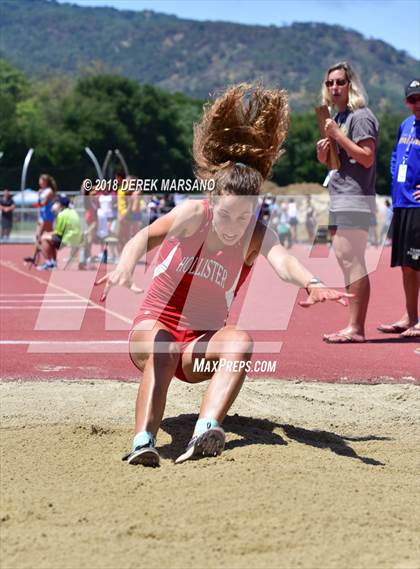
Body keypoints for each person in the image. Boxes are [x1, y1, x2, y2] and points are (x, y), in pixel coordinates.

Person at [96, 84, 352, 467]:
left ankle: (207, 429)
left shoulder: (257, 234)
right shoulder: (192, 215)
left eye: (244, 217)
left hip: (199, 346)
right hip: (154, 330)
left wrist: (313, 283)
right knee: (163, 345)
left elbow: (283, 263)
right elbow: (142, 237)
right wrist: (124, 265)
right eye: (228, 215)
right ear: (213, 202)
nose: (235, 226)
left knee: (241, 341)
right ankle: (142, 441)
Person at [316, 61, 379, 343]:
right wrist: (324, 153)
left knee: (352, 259)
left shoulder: (361, 116)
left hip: (355, 197)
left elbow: (367, 157)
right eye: (330, 83)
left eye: (340, 82)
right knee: (345, 259)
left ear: (351, 85)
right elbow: (338, 163)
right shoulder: (336, 118)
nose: (334, 87)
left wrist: (338, 136)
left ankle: (356, 328)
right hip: (339, 195)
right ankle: (353, 325)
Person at [377, 79, 420, 338]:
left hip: (418, 205)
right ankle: (409, 315)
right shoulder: (405, 125)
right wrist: (395, 176)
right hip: (402, 203)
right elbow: (396, 155)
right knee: (407, 264)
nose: (416, 104)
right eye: (412, 100)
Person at [36, 194, 82, 270]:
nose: (56, 204)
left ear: (61, 205)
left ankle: (49, 263)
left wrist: (46, 234)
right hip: (77, 239)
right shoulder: (74, 212)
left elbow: (59, 233)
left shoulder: (62, 214)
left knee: (44, 238)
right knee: (50, 239)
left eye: (57, 203)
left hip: (67, 240)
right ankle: (54, 262)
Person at [24, 174, 57, 265]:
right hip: (43, 216)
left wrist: (37, 200)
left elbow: (43, 203)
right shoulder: (42, 191)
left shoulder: (49, 191)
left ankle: (50, 260)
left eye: (41, 180)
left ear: (45, 181)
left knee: (42, 238)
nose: (39, 182)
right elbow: (40, 204)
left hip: (47, 217)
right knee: (42, 238)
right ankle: (36, 257)